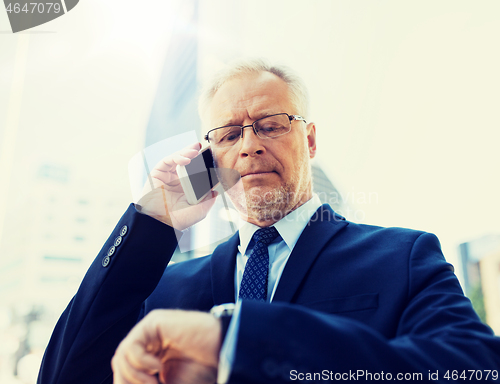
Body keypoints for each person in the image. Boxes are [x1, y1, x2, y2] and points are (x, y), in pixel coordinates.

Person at [38, 59, 500, 384]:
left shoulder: (403, 256)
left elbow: (475, 367)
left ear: (311, 140)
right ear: (209, 158)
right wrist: (154, 220)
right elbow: (66, 375)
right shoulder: (166, 287)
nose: (249, 146)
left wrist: (237, 343)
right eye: (228, 134)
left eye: (272, 125)